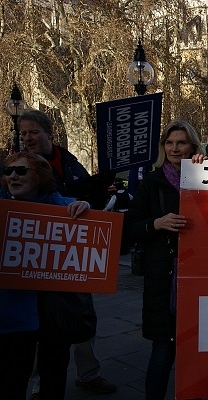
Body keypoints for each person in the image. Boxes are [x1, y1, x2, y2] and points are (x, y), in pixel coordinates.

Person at [18, 109, 116, 396]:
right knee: (40, 326)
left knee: (81, 316)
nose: (28, 138)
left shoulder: (69, 162)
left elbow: (82, 195)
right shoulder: (19, 164)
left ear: (49, 133)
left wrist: (86, 201)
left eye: (33, 132)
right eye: (23, 133)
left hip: (72, 256)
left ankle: (88, 373)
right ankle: (39, 384)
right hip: (36, 256)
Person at [0, 152, 91, 400]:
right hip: (13, 316)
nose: (12, 177)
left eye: (21, 171)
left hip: (54, 314)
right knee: (12, 379)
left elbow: (93, 228)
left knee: (53, 377)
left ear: (39, 176)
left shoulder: (63, 208)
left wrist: (86, 208)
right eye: (8, 171)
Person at [125, 119, 203, 400]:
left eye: (181, 142)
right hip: (164, 277)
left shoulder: (207, 175)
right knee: (162, 353)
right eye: (169, 143)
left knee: (197, 354)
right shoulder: (153, 183)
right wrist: (155, 223)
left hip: (200, 276)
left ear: (193, 145)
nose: (175, 148)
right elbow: (130, 227)